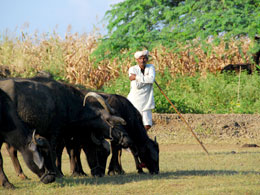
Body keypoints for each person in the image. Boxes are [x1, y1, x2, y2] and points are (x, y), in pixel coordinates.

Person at [127, 50, 155, 131]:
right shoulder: (133, 69)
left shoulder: (151, 67)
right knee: (135, 121)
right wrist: (147, 80)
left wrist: (136, 77)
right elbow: (137, 86)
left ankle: (142, 137)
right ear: (137, 60)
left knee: (147, 124)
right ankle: (139, 139)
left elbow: (151, 79)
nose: (142, 60)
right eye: (140, 58)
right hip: (135, 99)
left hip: (147, 99)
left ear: (147, 59)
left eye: (144, 58)